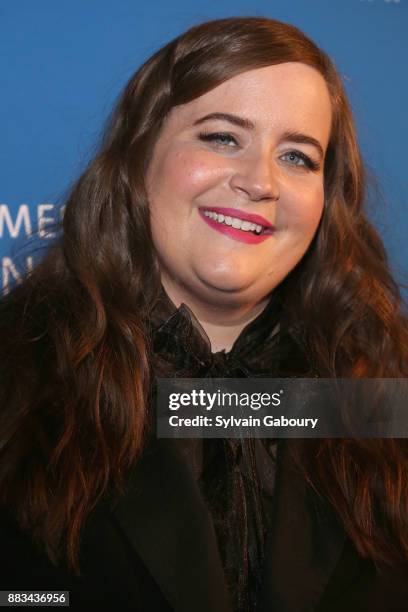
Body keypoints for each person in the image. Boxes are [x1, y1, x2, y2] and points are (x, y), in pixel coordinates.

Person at [0, 16, 407, 612]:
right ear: (140, 157)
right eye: (222, 138)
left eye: (297, 156)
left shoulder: (384, 395)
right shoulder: (17, 376)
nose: (259, 181)